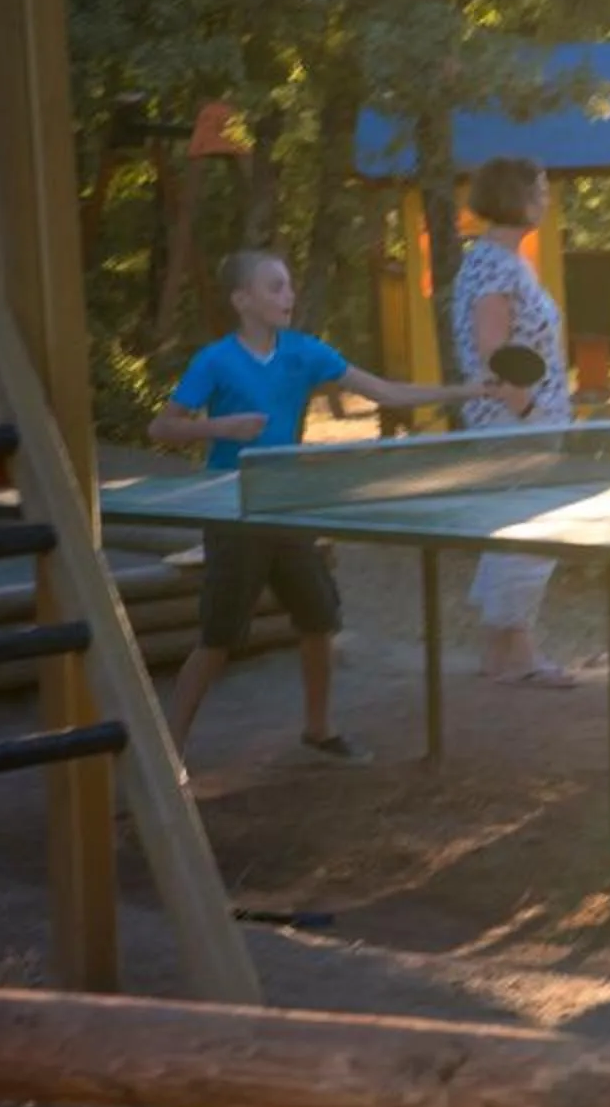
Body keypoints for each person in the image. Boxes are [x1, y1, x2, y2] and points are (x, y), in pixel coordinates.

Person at [150, 249, 521, 760]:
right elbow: (162, 427)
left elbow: (387, 392)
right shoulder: (214, 361)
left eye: (289, 286)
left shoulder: (305, 352)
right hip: (231, 510)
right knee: (218, 638)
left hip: (291, 507)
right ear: (242, 301)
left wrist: (474, 390)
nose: (289, 295)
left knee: (319, 619)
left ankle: (319, 731)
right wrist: (219, 428)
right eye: (275, 287)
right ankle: (167, 750)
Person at [449, 154, 577, 687]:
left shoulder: (504, 259)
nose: (545, 200)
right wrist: (528, 410)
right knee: (529, 533)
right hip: (514, 424)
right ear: (516, 197)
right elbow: (492, 349)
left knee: (512, 530)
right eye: (540, 190)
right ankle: (522, 653)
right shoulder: (494, 265)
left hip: (526, 420)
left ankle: (496, 653)